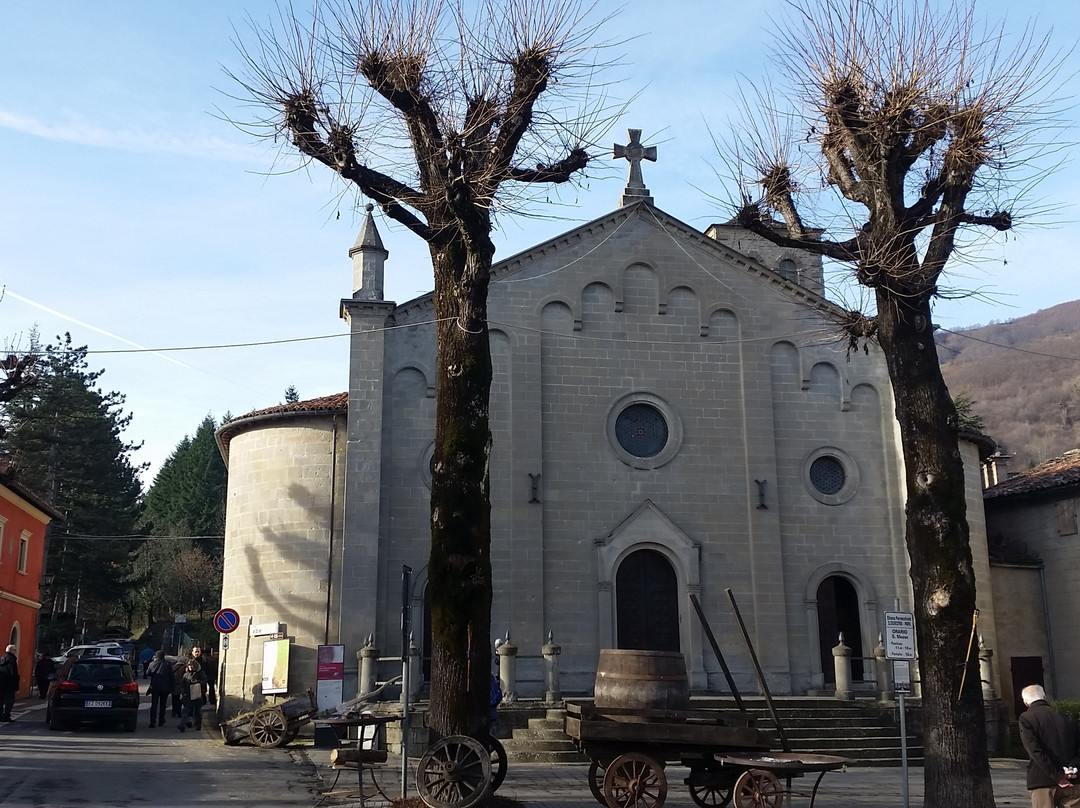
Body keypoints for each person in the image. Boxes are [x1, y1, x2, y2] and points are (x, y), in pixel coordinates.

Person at [1019, 684, 1080, 808]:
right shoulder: (1066, 716)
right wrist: (1073, 767)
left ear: (1026, 702)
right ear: (1044, 697)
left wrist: (1057, 776)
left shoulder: (1027, 718)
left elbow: (1035, 751)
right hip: (1072, 779)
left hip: (1043, 780)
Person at [146, 650, 175, 728]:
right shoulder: (168, 664)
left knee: (154, 705)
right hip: (165, 687)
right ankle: (161, 720)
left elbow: (148, 673)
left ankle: (152, 721)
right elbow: (171, 676)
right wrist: (172, 686)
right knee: (163, 704)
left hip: (155, 687)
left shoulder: (152, 664)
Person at [178, 659, 208, 732]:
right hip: (188, 695)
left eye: (192, 665)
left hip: (197, 695)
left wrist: (197, 682)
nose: (190, 667)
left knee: (197, 711)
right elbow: (183, 684)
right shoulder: (186, 674)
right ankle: (182, 725)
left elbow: (204, 681)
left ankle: (198, 724)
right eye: (189, 665)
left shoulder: (200, 673)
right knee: (186, 710)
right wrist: (183, 692)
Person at [0, 644, 19, 721]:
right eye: (15, 650)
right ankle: (6, 716)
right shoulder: (12, 659)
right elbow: (13, 673)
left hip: (1, 683)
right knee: (10, 701)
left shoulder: (1, 658)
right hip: (10, 685)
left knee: (1, 701)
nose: (15, 651)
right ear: (12, 651)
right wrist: (16, 686)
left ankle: (0, 715)